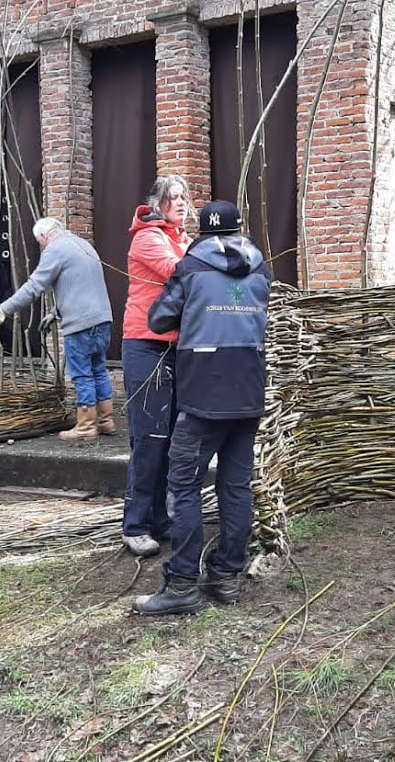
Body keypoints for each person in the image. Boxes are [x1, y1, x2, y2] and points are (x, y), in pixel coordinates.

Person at [132, 200, 273, 616]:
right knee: (235, 486)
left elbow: (159, 320)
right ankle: (227, 576)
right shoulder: (262, 268)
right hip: (248, 388)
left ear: (204, 232)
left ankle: (181, 585)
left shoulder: (191, 266)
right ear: (239, 229)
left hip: (204, 393)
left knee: (183, 484)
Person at [0, 217, 115, 441]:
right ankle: (105, 420)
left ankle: (86, 427)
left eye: (40, 242)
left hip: (81, 325)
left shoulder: (55, 249)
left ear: (44, 237)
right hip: (102, 320)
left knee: (82, 374)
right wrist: (55, 313)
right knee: (98, 370)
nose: (42, 247)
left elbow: (34, 287)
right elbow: (80, 286)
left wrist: (4, 309)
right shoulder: (83, 245)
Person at [120, 176, 192, 556]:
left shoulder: (183, 239)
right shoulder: (149, 237)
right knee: (149, 439)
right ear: (158, 203)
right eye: (172, 198)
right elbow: (178, 273)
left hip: (176, 347)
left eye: (183, 198)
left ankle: (160, 519)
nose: (180, 203)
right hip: (146, 345)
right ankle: (135, 524)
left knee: (170, 439)